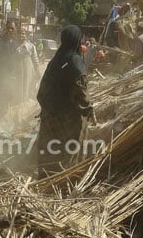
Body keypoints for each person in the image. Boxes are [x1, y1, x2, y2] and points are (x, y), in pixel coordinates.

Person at [36, 25, 94, 177]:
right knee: (69, 149)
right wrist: (88, 109)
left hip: (50, 116)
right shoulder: (75, 61)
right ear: (77, 40)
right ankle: (65, 178)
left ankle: (45, 176)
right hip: (68, 119)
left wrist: (47, 108)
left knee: (50, 147)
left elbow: (42, 90)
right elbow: (80, 90)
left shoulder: (56, 60)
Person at [15, 29, 40, 102]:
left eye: (23, 34)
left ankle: (25, 101)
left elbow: (35, 59)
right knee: (17, 84)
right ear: (16, 35)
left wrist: (38, 71)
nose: (21, 35)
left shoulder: (31, 46)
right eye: (19, 33)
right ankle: (17, 101)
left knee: (27, 84)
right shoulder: (13, 45)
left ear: (26, 35)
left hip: (28, 69)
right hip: (16, 68)